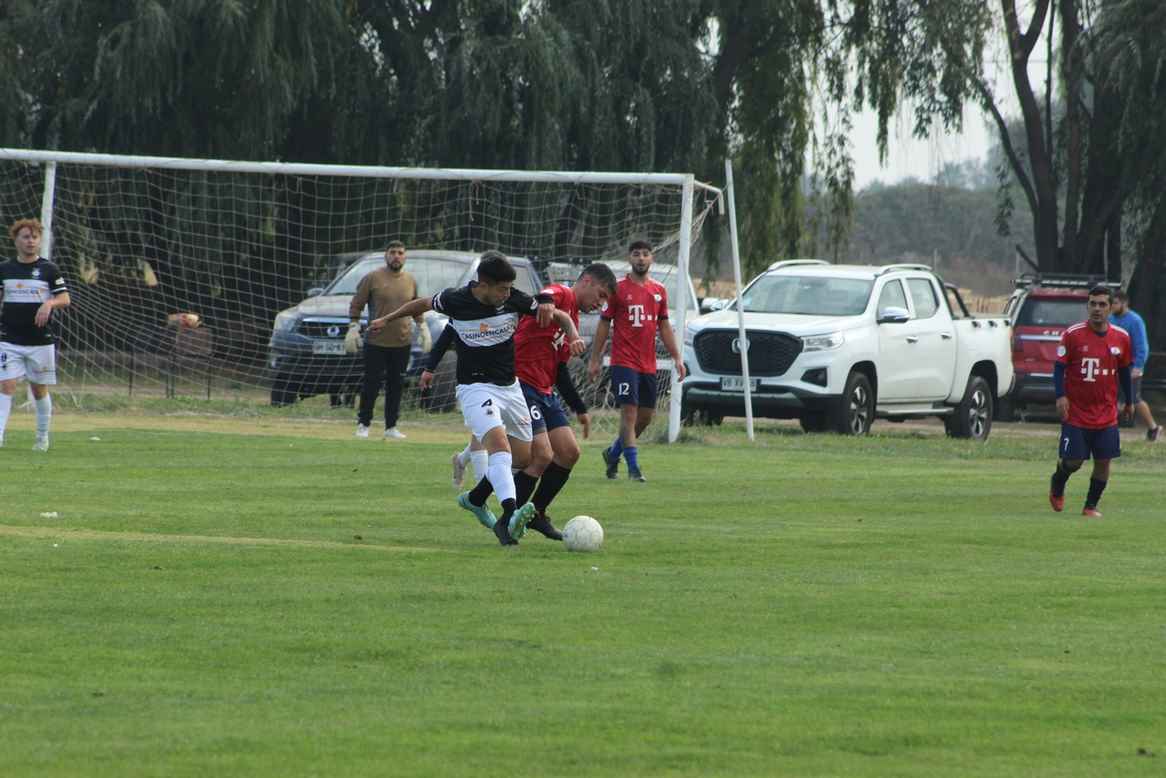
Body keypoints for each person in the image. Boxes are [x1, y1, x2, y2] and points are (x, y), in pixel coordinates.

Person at [370, 251, 585, 546]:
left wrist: (572, 334)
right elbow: (421, 304)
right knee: (500, 448)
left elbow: (559, 315)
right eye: (502, 289)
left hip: (510, 389)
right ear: (483, 284)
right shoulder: (455, 299)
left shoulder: (513, 299)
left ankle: (475, 498)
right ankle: (509, 516)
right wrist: (387, 318)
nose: (507, 294)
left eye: (509, 288)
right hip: (475, 389)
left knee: (524, 458)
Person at [587, 240, 685, 482]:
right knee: (629, 414)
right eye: (636, 254)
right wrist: (595, 359)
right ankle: (633, 468)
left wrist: (677, 357)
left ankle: (613, 453)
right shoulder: (618, 289)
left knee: (645, 418)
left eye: (645, 254)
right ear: (629, 258)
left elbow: (664, 326)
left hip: (647, 364)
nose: (641, 258)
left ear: (651, 258)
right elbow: (604, 323)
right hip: (624, 362)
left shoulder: (659, 291)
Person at [1048, 286, 1134, 518]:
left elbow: (1124, 371)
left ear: (1111, 308)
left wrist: (1129, 401)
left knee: (1103, 461)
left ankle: (1090, 506)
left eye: (1102, 304)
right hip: (1076, 411)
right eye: (1093, 304)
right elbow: (1059, 367)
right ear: (1087, 306)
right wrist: (1060, 395)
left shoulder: (1122, 337)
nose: (1097, 309)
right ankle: (1058, 481)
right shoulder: (1073, 334)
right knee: (1074, 461)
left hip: (1106, 412)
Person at [348, 241, 431, 440]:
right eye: (392, 252)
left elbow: (415, 306)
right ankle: (363, 424)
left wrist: (422, 327)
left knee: (396, 385)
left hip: (402, 342)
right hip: (375, 342)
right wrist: (353, 326)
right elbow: (357, 303)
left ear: (405, 256)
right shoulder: (372, 277)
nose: (396, 256)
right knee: (371, 384)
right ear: (386, 255)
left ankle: (391, 426)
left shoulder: (410, 280)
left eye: (400, 253)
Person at [0, 219, 71, 451]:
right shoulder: (5, 269)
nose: (30, 241)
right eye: (25, 237)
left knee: (39, 389)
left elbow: (65, 299)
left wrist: (49, 303)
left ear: (40, 240)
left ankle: (42, 438)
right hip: (9, 339)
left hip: (40, 341)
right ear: (16, 240)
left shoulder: (49, 269)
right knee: (5, 385)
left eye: (34, 237)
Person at [1110, 290, 1161, 442]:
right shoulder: (1111, 319)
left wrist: (1138, 366)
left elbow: (1142, 346)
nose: (1112, 306)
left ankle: (1153, 428)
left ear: (1124, 303)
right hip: (1114, 365)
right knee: (1112, 398)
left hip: (1131, 366)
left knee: (1134, 399)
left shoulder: (1135, 320)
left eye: (1115, 303)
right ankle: (1107, 430)